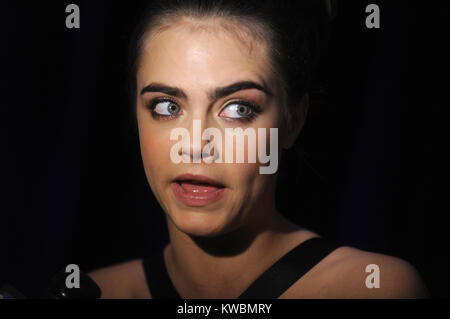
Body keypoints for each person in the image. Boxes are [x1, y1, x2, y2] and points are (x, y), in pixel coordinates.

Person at [88, 0, 429, 299]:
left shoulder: (374, 289)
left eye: (238, 109)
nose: (194, 146)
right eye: (167, 107)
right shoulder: (94, 292)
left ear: (293, 120)